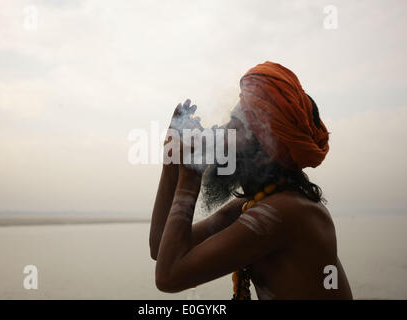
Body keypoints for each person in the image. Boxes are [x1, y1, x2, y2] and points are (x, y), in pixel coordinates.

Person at [149, 61, 353, 300]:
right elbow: (159, 248)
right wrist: (171, 164)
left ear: (263, 155)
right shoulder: (254, 204)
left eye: (233, 126)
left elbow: (169, 276)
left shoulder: (286, 212)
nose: (220, 131)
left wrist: (191, 175)